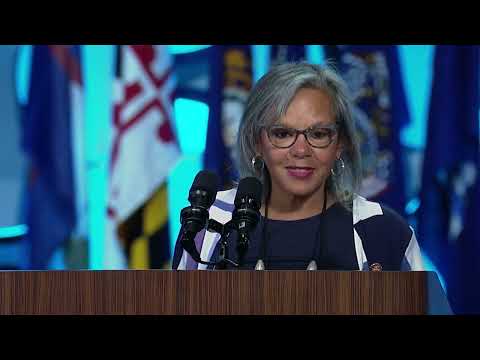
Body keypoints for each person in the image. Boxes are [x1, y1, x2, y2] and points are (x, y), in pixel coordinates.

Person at [172, 62, 424, 271]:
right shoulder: (211, 223)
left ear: (340, 144)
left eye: (318, 134)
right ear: (257, 142)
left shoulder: (380, 230)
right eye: (282, 133)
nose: (301, 150)